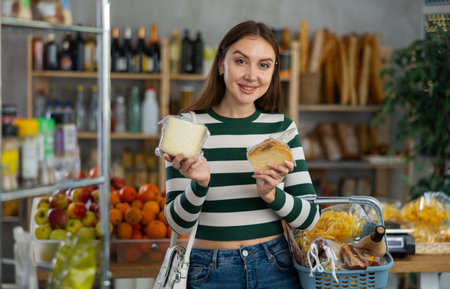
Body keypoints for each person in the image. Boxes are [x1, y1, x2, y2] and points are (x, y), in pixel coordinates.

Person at [163, 20, 319, 289]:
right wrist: (199, 185)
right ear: (221, 63)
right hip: (208, 271)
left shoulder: (282, 129)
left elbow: (311, 218)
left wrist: (272, 194)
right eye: (241, 61)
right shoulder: (188, 126)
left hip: (276, 266)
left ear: (273, 72)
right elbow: (177, 223)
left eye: (264, 65)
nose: (251, 75)